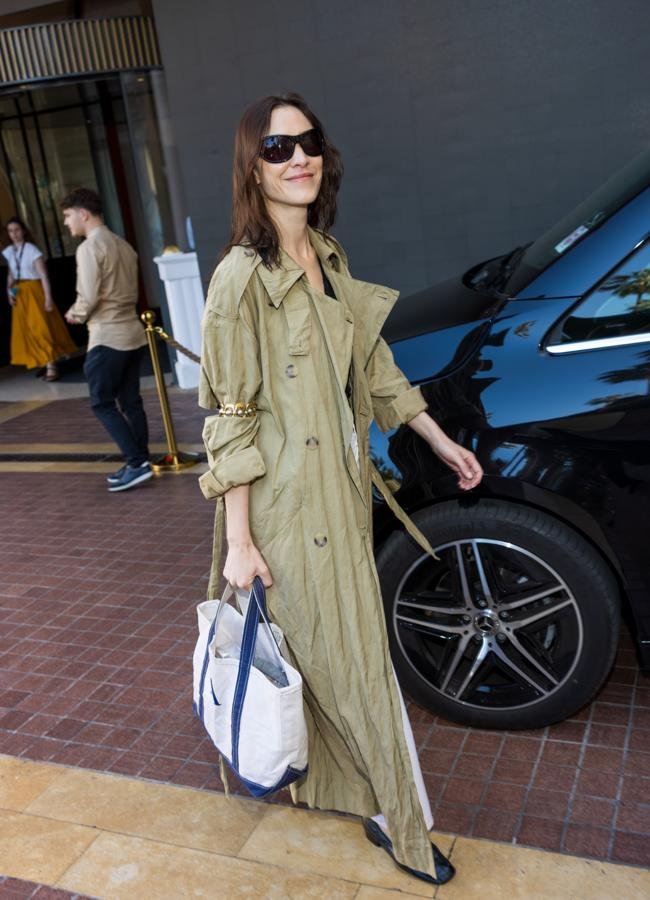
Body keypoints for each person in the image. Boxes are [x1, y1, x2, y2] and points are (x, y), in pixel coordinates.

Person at [199, 93, 483, 886]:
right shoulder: (237, 279)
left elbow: (375, 367)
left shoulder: (328, 257)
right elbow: (231, 418)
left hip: (343, 500)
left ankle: (371, 799)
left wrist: (436, 436)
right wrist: (241, 544)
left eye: (309, 142)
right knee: (353, 665)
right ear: (252, 169)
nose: (299, 158)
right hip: (289, 517)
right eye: (278, 147)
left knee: (342, 663)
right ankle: (403, 824)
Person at [61, 188, 152, 493]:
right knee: (130, 401)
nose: (66, 223)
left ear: (83, 213)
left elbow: (88, 297)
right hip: (133, 333)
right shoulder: (124, 245)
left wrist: (75, 314)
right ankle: (140, 461)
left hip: (106, 336)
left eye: (67, 215)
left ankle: (136, 462)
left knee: (102, 402)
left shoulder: (89, 249)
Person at [3, 217, 76, 381]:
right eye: (10, 231)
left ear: (23, 231)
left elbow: (43, 276)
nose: (14, 234)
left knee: (41, 328)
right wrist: (9, 292)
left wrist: (48, 298)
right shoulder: (10, 251)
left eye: (16, 230)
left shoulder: (31, 250)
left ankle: (51, 366)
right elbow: (11, 275)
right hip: (20, 293)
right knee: (28, 330)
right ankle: (43, 361)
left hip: (35, 291)